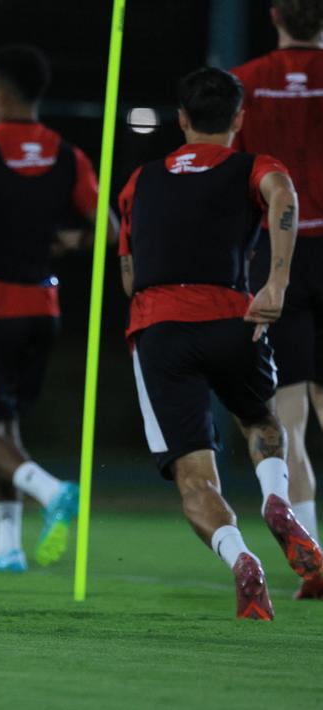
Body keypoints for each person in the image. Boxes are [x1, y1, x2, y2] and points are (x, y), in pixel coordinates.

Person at [117, 67, 321, 620]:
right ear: (239, 119)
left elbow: (130, 277)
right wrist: (276, 280)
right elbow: (283, 195)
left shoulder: (138, 181)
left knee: (193, 478)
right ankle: (276, 498)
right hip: (234, 319)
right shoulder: (254, 165)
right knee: (262, 422)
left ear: (181, 119)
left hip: (158, 329)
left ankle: (241, 558)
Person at [0, 45, 112, 572]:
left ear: (0, 93)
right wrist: (66, 242)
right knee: (7, 428)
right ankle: (7, 547)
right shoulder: (68, 155)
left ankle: (53, 490)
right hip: (43, 308)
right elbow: (109, 230)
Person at [231, 0, 323, 599]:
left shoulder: (245, 82)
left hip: (276, 255)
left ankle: (315, 558)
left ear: (273, 15)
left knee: (288, 415)